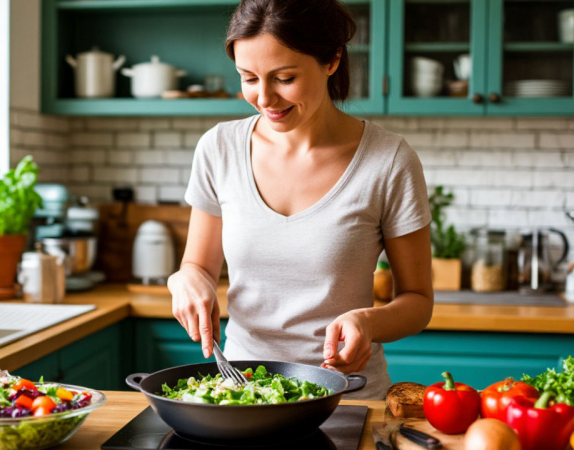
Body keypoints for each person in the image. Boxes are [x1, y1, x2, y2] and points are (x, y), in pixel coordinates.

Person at [167, 0, 434, 399]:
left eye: (284, 78)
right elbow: (197, 266)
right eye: (249, 78)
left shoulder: (389, 160)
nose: (265, 98)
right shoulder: (218, 148)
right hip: (243, 395)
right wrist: (185, 280)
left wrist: (370, 323)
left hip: (347, 399)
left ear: (332, 60)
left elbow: (418, 300)